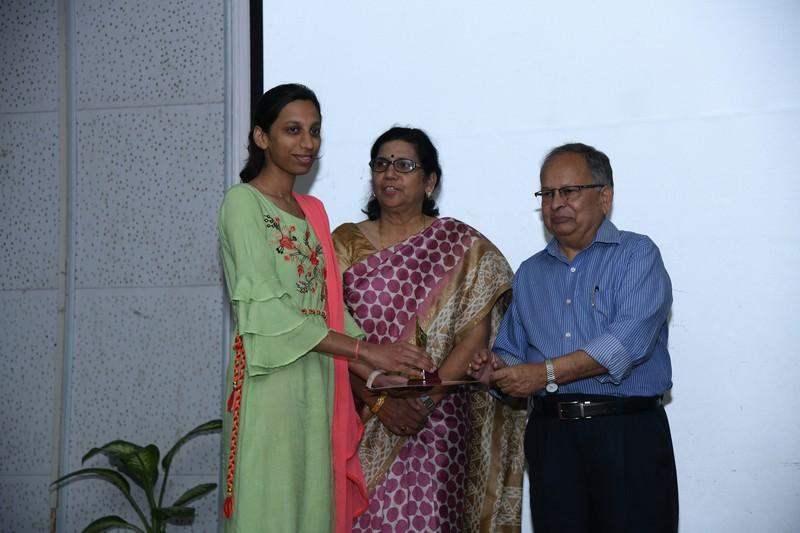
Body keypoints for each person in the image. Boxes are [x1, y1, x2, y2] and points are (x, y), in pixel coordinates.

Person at [218, 85, 433, 533]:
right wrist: (369, 353)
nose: (307, 143)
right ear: (261, 137)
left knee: (313, 507)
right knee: (272, 509)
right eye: (292, 130)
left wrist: (377, 372)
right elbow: (272, 314)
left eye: (314, 131)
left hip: (319, 382)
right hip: (270, 380)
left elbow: (330, 309)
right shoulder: (242, 203)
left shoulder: (313, 210)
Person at [471, 142, 679, 533]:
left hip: (626, 432)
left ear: (605, 196)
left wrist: (543, 373)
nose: (556, 204)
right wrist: (495, 371)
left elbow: (625, 343)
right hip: (552, 439)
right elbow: (512, 352)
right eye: (547, 194)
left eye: (568, 191)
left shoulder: (638, 255)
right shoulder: (530, 273)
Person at [332, 126, 527, 532]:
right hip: (360, 412)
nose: (390, 173)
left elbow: (474, 336)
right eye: (381, 164)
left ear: (430, 181)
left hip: (437, 422)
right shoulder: (343, 243)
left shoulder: (460, 245)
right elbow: (329, 330)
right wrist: (380, 402)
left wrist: (424, 401)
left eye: (404, 165)